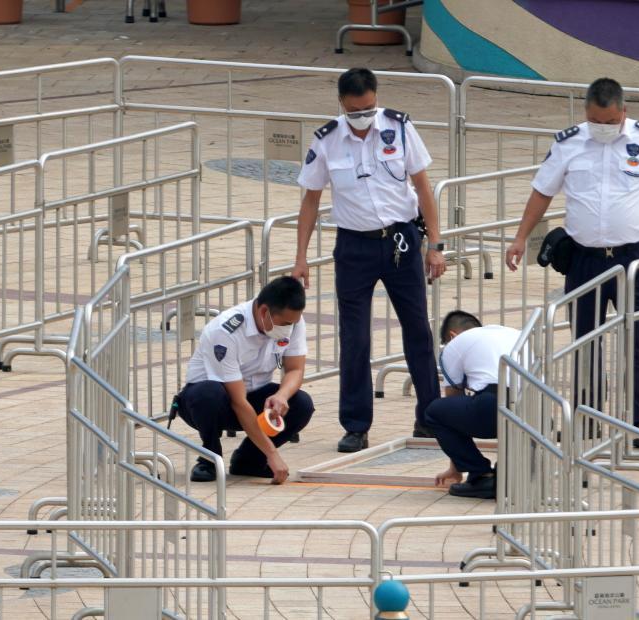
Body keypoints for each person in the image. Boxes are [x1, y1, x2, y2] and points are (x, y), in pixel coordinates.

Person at [505, 77, 639, 449]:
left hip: (633, 256)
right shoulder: (569, 143)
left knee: (637, 340)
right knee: (584, 341)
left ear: (624, 112)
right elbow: (542, 191)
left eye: (610, 121)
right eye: (596, 121)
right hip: (585, 258)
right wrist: (521, 237)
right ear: (586, 113)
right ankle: (586, 419)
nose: (604, 128)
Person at [293, 67, 446, 453]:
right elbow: (310, 200)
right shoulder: (327, 140)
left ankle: (431, 416)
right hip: (354, 247)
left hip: (401, 240)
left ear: (377, 100)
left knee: (417, 330)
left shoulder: (399, 128)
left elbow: (423, 188)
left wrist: (436, 244)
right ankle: (356, 424)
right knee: (355, 338)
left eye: (368, 108)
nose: (362, 116)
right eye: (355, 110)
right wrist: (300, 258)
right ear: (342, 105)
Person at [172, 276, 314, 483]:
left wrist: (281, 396)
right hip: (211, 402)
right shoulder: (225, 330)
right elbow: (238, 402)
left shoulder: (292, 321)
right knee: (209, 394)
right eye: (284, 323)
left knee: (301, 403)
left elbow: (295, 369)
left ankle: (249, 461)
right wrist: (273, 454)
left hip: (254, 395)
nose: (288, 329)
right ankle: (210, 458)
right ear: (264, 312)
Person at [428, 311, 520, 499]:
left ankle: (481, 475)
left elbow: (452, 401)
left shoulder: (455, 345)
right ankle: (510, 475)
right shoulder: (513, 333)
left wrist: (456, 467)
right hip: (537, 411)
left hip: (495, 405)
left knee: (434, 412)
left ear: (452, 336)